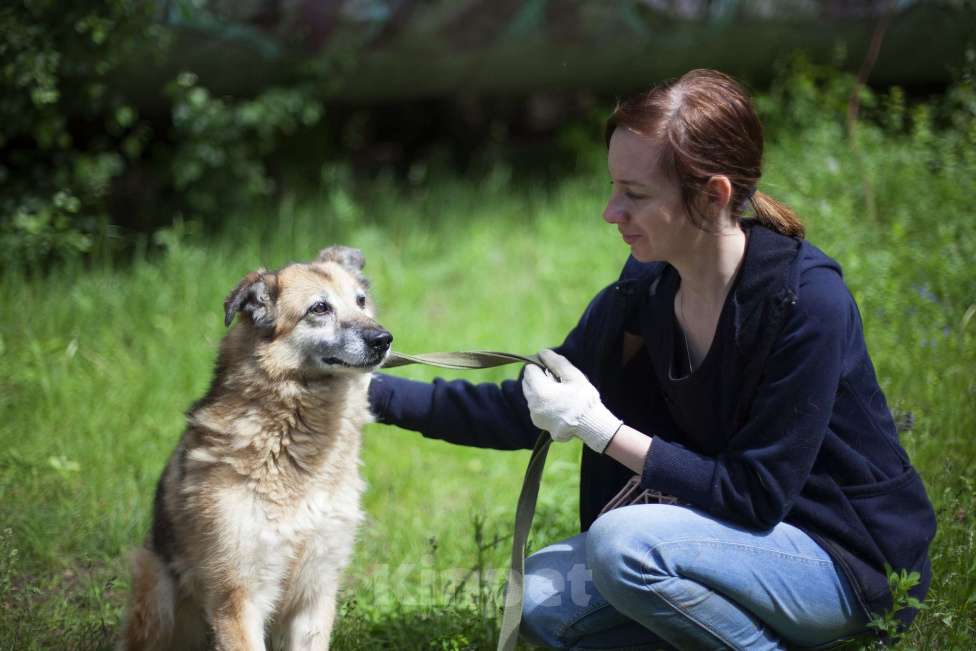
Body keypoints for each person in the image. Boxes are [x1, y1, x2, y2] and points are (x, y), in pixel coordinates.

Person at [367, 69, 936, 650]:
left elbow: (754, 495)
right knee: (540, 597)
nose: (611, 212)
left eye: (635, 194)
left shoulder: (806, 302)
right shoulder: (645, 292)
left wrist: (602, 430)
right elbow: (526, 410)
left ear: (712, 196)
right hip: (724, 540)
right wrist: (373, 395)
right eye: (614, 188)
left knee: (622, 547)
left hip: (843, 558)